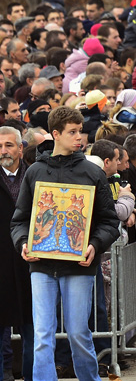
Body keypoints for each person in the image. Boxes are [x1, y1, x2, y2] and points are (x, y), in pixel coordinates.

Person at [10, 106, 120, 381]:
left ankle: (90, 378)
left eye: (80, 130)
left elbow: (109, 221)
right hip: (42, 265)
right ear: (56, 134)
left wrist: (95, 244)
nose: (79, 137)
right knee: (42, 334)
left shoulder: (92, 173)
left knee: (78, 332)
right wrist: (23, 242)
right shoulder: (35, 172)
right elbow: (20, 220)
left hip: (79, 265)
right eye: (72, 132)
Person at [0, 126, 33, 381]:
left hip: (30, 263)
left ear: (21, 148)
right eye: (0, 147)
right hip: (0, 265)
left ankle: (33, 375)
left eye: (9, 145)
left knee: (33, 330)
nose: (4, 151)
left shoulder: (36, 175)